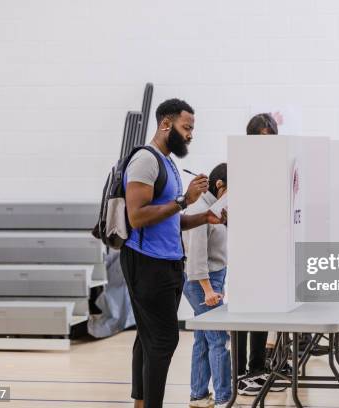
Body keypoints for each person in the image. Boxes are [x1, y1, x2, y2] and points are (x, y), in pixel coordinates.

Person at [121, 98, 225, 408]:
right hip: (146, 263)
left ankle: (141, 404)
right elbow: (137, 216)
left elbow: (170, 221)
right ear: (166, 124)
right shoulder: (145, 160)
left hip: (167, 262)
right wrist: (184, 200)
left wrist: (203, 216)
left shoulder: (168, 163)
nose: (191, 134)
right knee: (164, 340)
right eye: (186, 127)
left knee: (147, 338)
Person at [236, 113, 283, 396]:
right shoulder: (239, 167)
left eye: (271, 139)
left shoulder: (276, 168)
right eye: (261, 138)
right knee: (243, 313)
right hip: (244, 250)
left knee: (263, 311)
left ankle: (257, 368)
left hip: (268, 248)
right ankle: (240, 373)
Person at [182, 163, 231, 408]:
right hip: (202, 281)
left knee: (203, 338)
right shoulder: (199, 210)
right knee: (218, 338)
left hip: (213, 277)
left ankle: (199, 395)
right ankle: (225, 398)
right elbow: (197, 257)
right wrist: (208, 291)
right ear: (219, 184)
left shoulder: (218, 209)